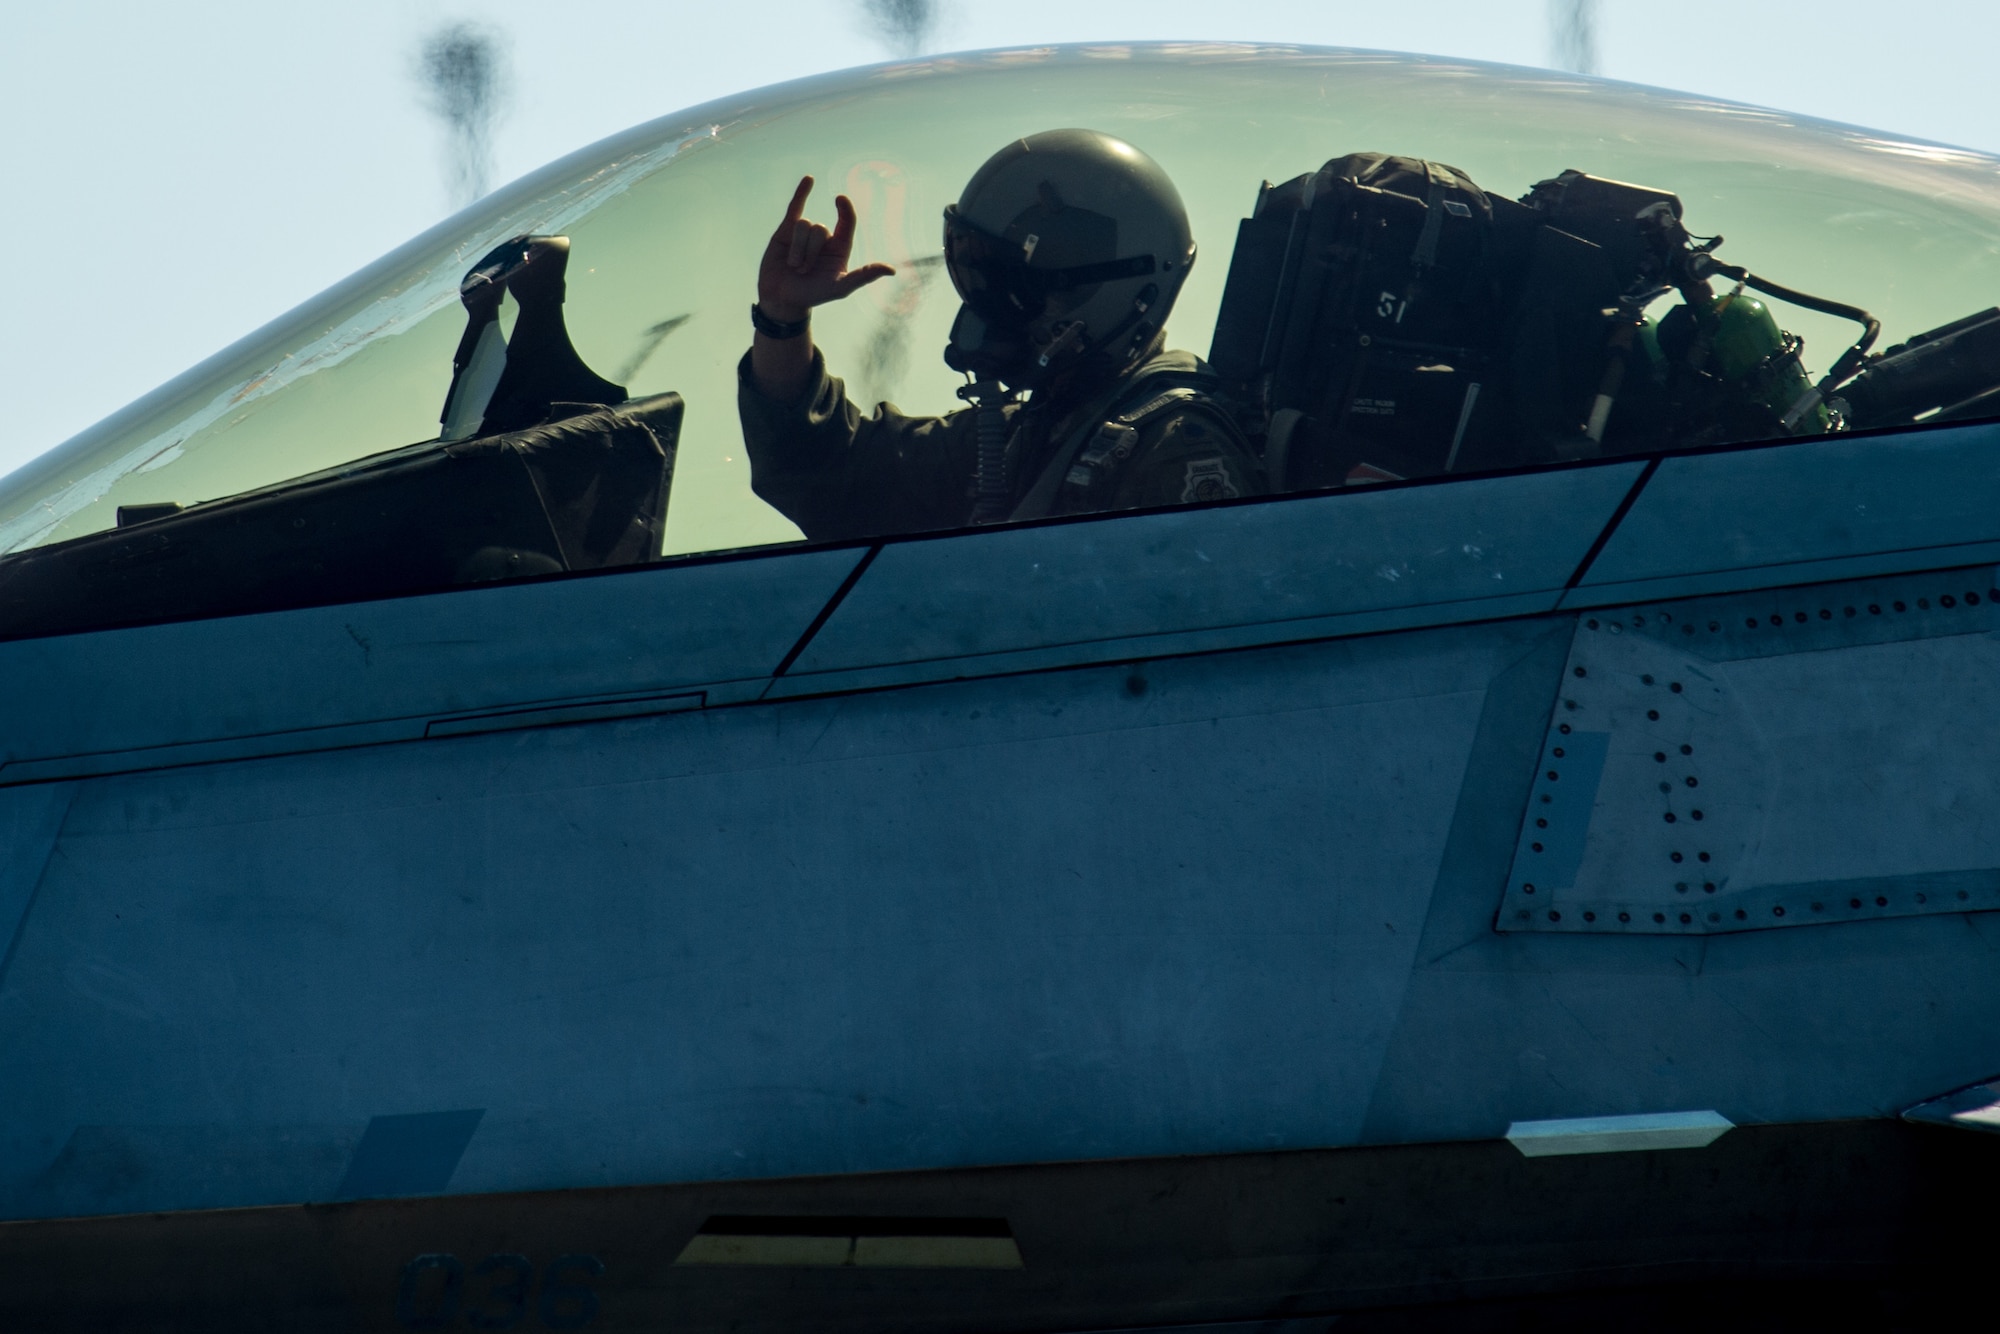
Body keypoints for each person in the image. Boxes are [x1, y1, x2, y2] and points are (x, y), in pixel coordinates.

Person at [738, 128, 1264, 542]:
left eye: (1013, 289)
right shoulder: (1026, 434)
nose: (986, 312)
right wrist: (783, 319)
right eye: (977, 280)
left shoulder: (1175, 451)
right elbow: (824, 469)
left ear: (1104, 293)